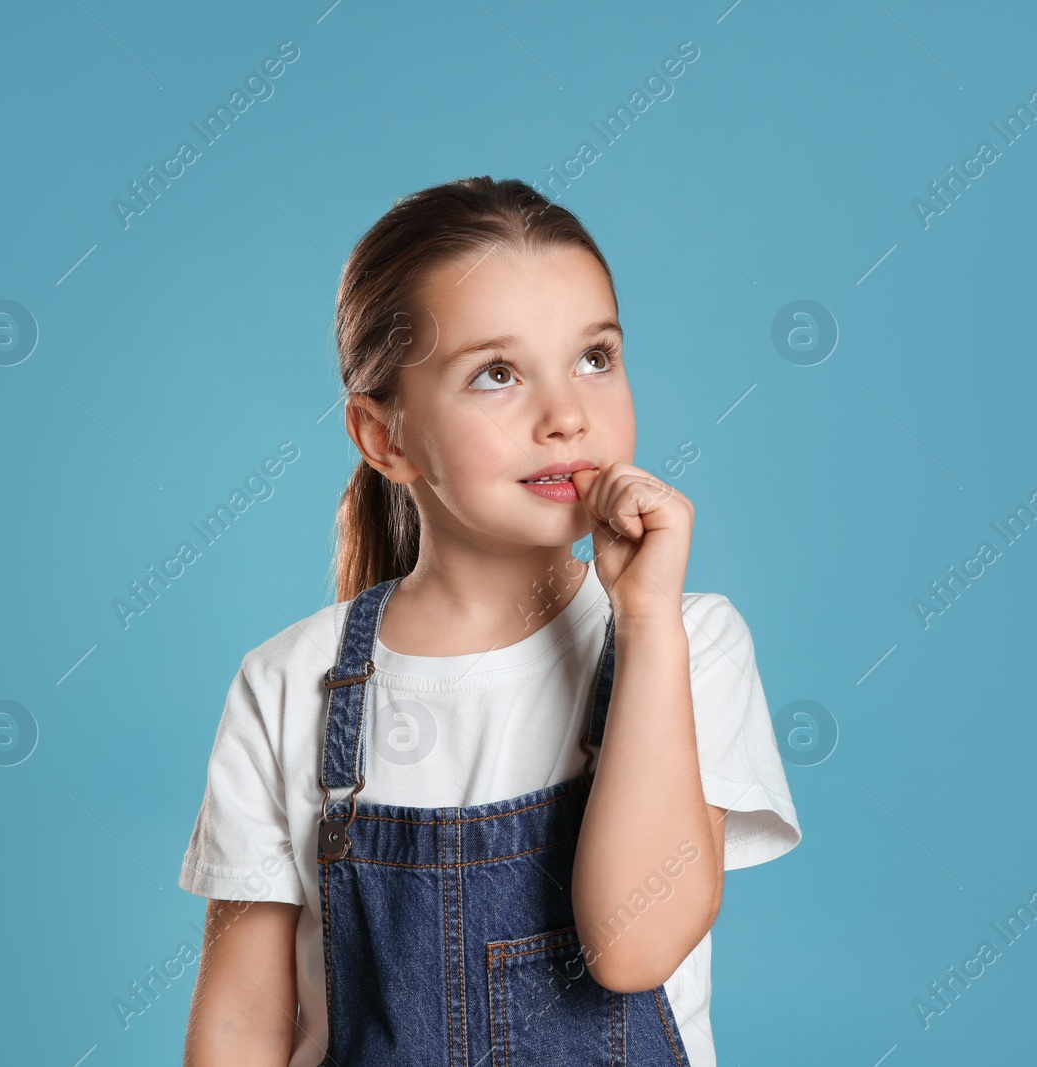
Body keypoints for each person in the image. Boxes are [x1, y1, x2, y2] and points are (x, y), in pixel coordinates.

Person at [177, 175, 801, 1067]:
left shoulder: (689, 641)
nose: (566, 416)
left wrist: (647, 620)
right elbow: (244, 1024)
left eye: (595, 356)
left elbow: (632, 947)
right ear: (384, 437)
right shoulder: (287, 684)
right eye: (497, 374)